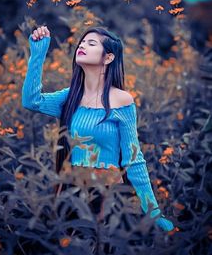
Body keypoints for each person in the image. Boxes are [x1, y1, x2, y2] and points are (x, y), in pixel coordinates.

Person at [22, 25, 175, 232]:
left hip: (109, 196)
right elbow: (32, 101)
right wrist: (38, 52)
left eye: (91, 43)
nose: (82, 45)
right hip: (72, 195)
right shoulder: (70, 96)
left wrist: (155, 213)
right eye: (82, 42)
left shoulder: (121, 100)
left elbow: (134, 159)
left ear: (108, 58)